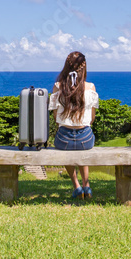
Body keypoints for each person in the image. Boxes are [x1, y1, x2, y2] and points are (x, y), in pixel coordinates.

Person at [49, 51, 99, 199]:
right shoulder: (90, 87)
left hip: (64, 139)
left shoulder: (58, 87)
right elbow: (91, 119)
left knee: (67, 151)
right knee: (82, 149)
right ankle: (87, 186)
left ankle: (77, 186)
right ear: (84, 68)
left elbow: (56, 117)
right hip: (85, 139)